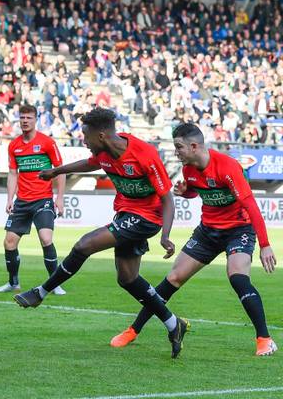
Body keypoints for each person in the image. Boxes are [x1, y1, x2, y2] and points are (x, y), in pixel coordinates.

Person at [13, 107, 189, 358]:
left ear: (102, 135)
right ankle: (174, 324)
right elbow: (89, 164)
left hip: (147, 218)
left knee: (85, 244)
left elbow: (167, 199)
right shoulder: (104, 152)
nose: (83, 141)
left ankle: (40, 292)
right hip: (126, 214)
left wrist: (165, 235)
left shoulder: (144, 154)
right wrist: (57, 171)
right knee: (127, 279)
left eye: (86, 136)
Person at [110, 123, 277, 356]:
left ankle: (264, 339)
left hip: (239, 230)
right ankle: (133, 330)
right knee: (173, 279)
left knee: (238, 278)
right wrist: (185, 193)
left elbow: (250, 205)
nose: (176, 152)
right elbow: (197, 190)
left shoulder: (228, 167)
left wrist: (265, 245)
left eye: (179, 147)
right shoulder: (188, 169)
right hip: (207, 231)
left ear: (194, 146)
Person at [0, 105, 67, 294]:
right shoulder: (14, 145)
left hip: (43, 200)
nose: (25, 121)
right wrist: (10, 198)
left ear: (36, 120)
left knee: (45, 238)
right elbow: (12, 174)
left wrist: (59, 198)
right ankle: (13, 283)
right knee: (9, 242)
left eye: (29, 118)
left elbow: (61, 171)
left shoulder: (47, 142)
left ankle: (54, 283)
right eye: (22, 117)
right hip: (22, 201)